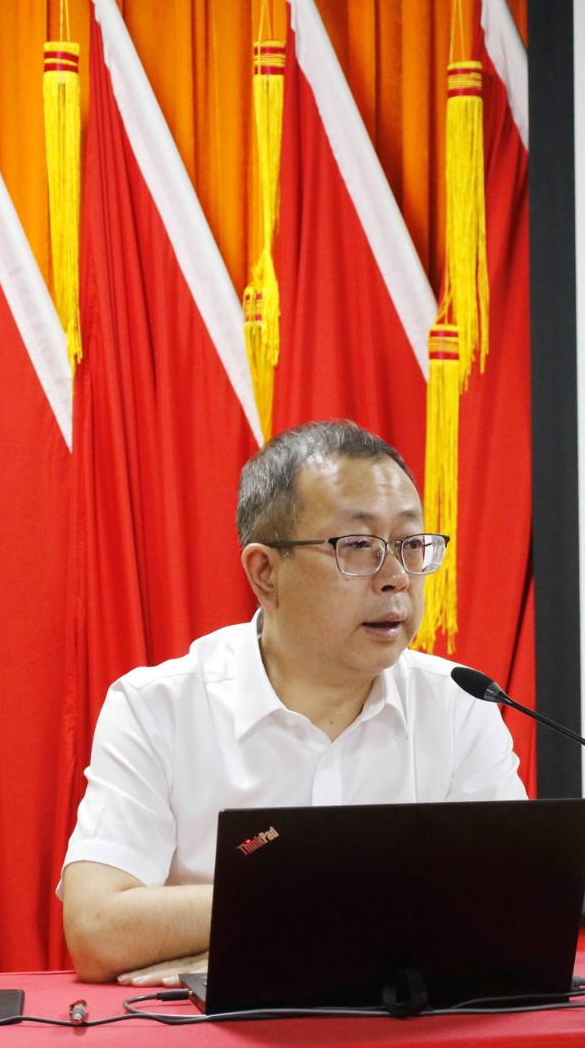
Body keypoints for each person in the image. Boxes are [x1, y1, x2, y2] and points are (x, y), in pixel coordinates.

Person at [59, 420, 526, 983]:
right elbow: (96, 928)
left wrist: (261, 928)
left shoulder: (458, 703)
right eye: (358, 546)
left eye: (410, 545)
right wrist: (366, 907)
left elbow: (513, 910)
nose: (396, 578)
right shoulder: (159, 707)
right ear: (265, 573)